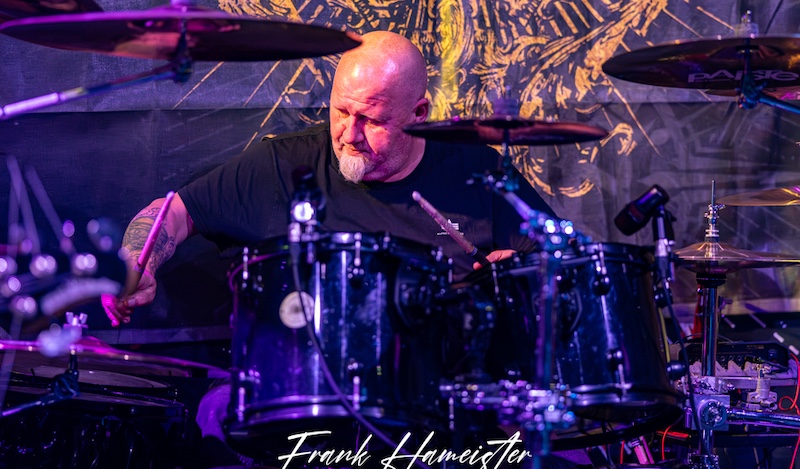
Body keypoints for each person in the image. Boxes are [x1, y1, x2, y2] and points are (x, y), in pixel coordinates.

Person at [103, 30, 555, 327]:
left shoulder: (477, 170)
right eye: (341, 111)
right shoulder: (284, 165)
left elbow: (564, 261)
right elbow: (174, 213)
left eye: (371, 120)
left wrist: (525, 273)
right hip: (314, 398)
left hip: (445, 400)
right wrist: (136, 262)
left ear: (419, 113)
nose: (349, 134)